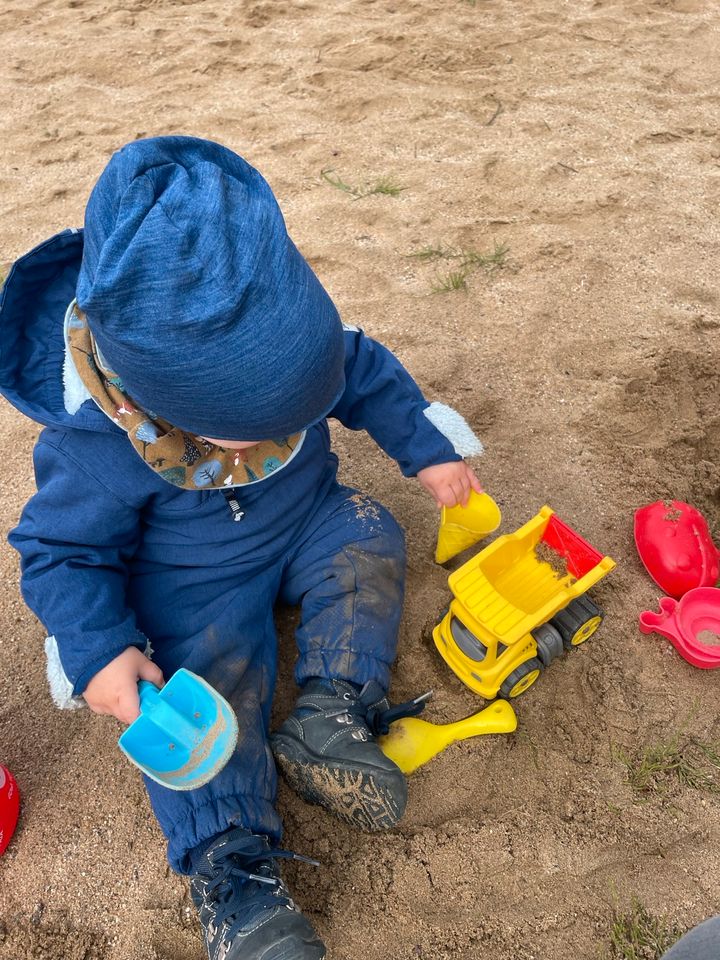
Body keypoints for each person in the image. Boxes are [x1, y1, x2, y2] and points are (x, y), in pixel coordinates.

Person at [0, 136, 483, 960]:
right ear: (159, 404)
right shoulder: (99, 445)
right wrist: (98, 652)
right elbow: (58, 552)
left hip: (306, 516)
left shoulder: (306, 342)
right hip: (194, 585)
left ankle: (332, 711)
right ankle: (238, 876)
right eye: (253, 429)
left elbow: (360, 370)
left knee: (367, 535)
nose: (285, 428)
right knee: (206, 695)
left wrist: (427, 447)